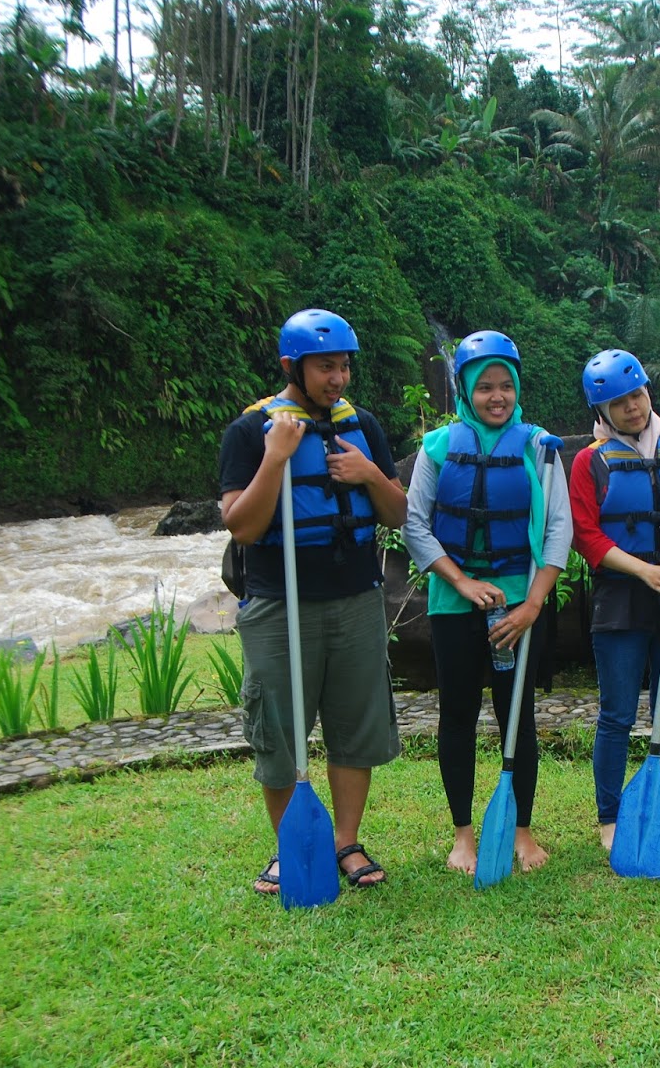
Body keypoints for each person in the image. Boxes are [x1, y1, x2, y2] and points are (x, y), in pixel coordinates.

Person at [219, 308, 408, 894]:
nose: (338, 378)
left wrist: (370, 474)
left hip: (354, 600)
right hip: (280, 605)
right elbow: (241, 526)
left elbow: (399, 514)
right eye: (326, 367)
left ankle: (345, 842)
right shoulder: (250, 432)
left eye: (344, 366)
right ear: (291, 367)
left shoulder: (364, 426)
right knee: (278, 729)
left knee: (354, 727)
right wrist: (277, 456)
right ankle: (289, 846)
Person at [402, 330, 571, 876]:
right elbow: (416, 526)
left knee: (517, 719)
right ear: (465, 391)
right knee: (457, 716)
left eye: (505, 386)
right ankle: (463, 836)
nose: (496, 397)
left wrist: (532, 607)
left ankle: (522, 831)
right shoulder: (437, 448)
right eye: (484, 388)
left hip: (521, 607)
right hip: (454, 605)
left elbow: (558, 531)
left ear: (517, 388)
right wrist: (463, 583)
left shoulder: (539, 447)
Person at [568, 350, 660, 851]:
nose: (632, 407)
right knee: (616, 713)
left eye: (636, 394)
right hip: (622, 599)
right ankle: (610, 817)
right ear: (601, 412)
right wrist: (644, 570)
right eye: (618, 402)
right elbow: (586, 537)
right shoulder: (591, 463)